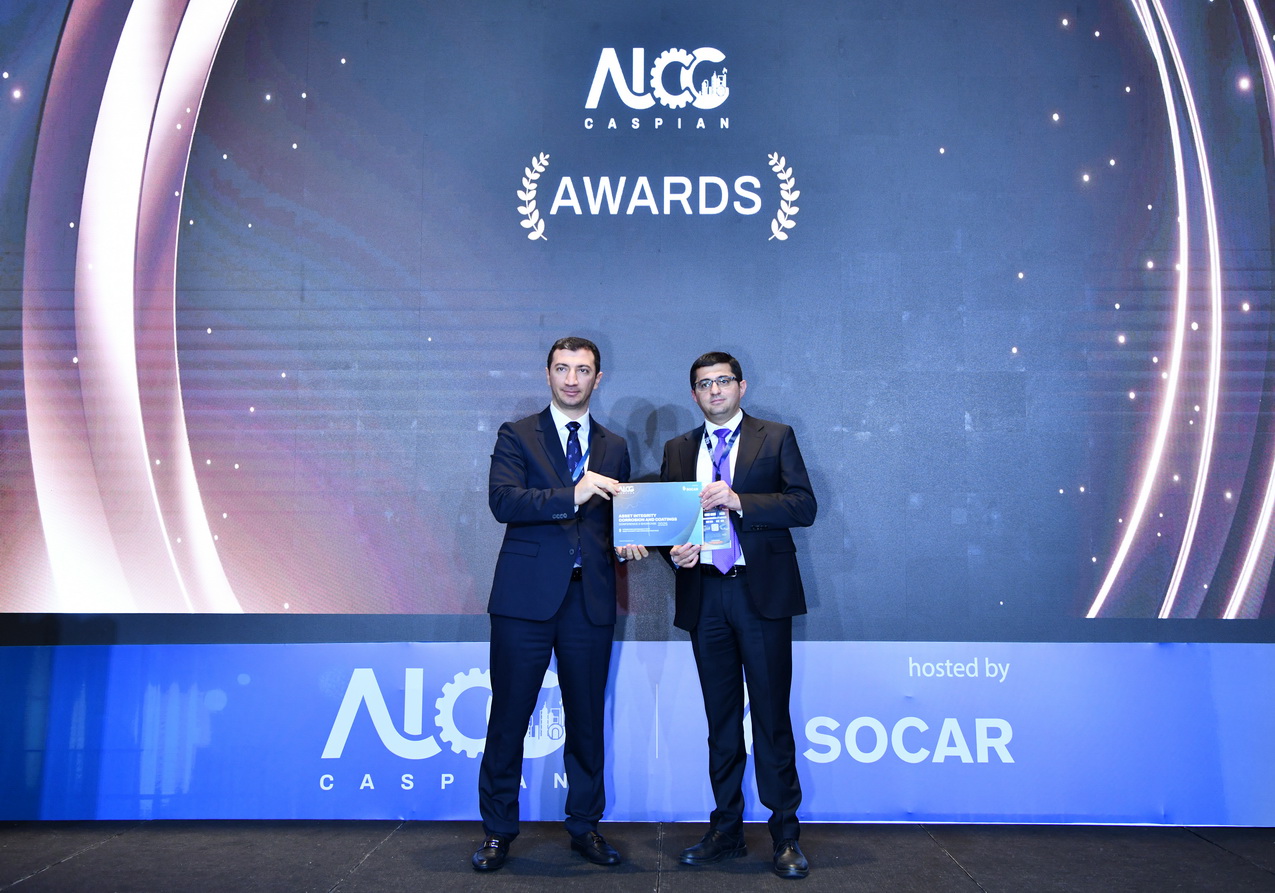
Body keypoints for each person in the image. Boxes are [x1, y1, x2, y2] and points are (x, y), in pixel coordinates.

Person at [472, 336, 647, 872]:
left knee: (587, 720)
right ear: (548, 373)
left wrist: (628, 539)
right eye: (563, 368)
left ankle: (585, 826)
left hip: (589, 600)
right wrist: (574, 492)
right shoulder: (517, 433)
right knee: (509, 718)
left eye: (583, 370)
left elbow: (617, 517)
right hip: (524, 599)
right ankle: (498, 831)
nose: (572, 379)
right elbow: (504, 501)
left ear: (598, 378)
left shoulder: (615, 445)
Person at [660, 351, 817, 880]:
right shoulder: (678, 449)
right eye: (704, 384)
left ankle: (785, 834)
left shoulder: (776, 436)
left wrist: (739, 500)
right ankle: (725, 828)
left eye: (723, 381)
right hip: (705, 594)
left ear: (741, 386)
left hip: (760, 594)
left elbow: (803, 506)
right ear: (694, 394)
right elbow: (670, 523)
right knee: (721, 721)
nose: (715, 390)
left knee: (771, 717)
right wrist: (675, 553)